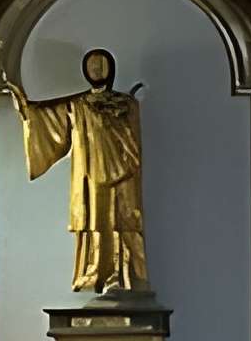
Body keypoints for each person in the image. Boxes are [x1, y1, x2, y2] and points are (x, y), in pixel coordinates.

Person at [9, 46, 149, 294]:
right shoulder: (78, 104)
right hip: (89, 176)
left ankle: (125, 275)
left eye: (101, 66)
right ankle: (92, 273)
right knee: (92, 220)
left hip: (123, 176)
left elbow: (132, 140)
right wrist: (28, 111)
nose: (97, 70)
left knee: (121, 221)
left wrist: (113, 118)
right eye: (93, 66)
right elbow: (49, 115)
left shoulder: (126, 104)